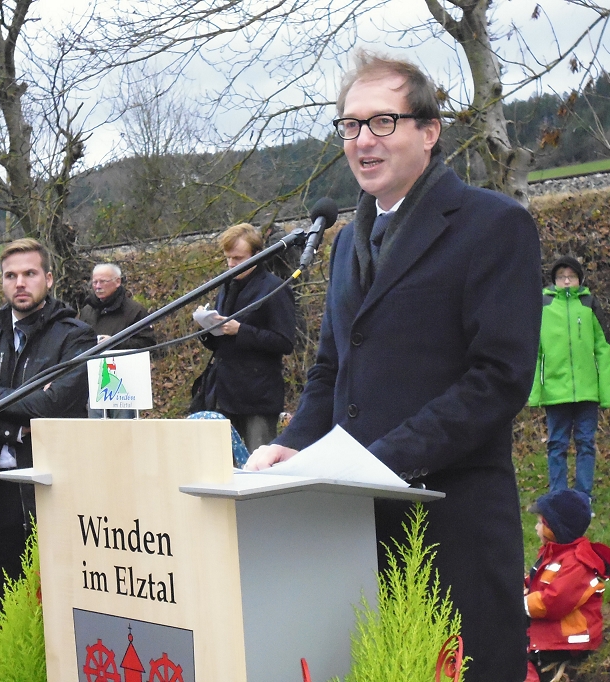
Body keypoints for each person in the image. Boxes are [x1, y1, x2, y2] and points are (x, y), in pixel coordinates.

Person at [245, 52, 542, 681]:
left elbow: (499, 378)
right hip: (353, 527)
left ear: (429, 132)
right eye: (349, 126)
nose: (361, 141)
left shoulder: (495, 225)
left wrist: (381, 461)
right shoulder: (347, 240)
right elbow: (332, 367)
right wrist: (293, 443)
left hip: (451, 517)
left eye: (382, 122)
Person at [0, 238, 95, 631]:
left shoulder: (75, 337)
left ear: (48, 277)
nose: (20, 283)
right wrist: (15, 426)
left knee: (48, 609)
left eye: (29, 274)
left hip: (45, 489)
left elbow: (54, 406)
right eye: (11, 276)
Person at [194, 223, 296, 452]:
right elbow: (221, 342)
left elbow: (285, 341)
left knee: (257, 464)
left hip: (257, 396)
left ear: (257, 255)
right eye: (228, 258)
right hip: (222, 392)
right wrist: (205, 328)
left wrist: (241, 330)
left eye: (238, 259)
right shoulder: (227, 286)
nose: (231, 265)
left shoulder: (274, 288)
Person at [529, 256, 610, 500]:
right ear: (554, 281)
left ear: (580, 279)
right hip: (556, 390)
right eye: (561, 277)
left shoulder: (589, 304)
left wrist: (606, 392)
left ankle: (583, 495)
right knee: (556, 444)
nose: (566, 281)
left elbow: (604, 348)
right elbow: (534, 352)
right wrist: (536, 391)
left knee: (586, 443)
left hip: (587, 390)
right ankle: (558, 494)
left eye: (571, 276)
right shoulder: (543, 306)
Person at [524, 489, 610, 682]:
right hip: (554, 628)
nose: (536, 528)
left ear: (555, 529)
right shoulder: (555, 553)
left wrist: (521, 603)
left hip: (567, 640)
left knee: (519, 657)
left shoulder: (577, 563)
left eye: (541, 523)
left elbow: (553, 601)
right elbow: (537, 581)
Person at [79, 263, 156, 419]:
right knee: (96, 431)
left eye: (103, 281)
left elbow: (148, 344)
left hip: (124, 384)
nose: (98, 286)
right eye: (94, 282)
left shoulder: (135, 311)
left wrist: (114, 343)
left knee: (124, 432)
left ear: (117, 282)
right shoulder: (87, 310)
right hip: (93, 380)